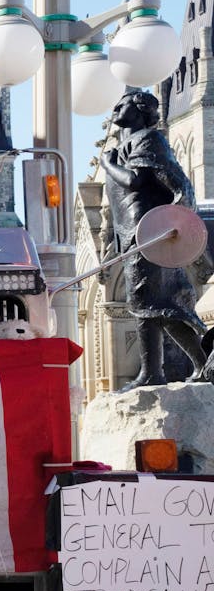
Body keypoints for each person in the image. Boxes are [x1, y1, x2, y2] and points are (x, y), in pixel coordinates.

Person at [100, 90, 213, 388]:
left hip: (149, 233)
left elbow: (135, 180)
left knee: (145, 303)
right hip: (134, 233)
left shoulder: (147, 139)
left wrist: (107, 164)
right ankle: (204, 363)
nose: (116, 107)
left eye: (122, 104)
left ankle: (152, 372)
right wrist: (111, 243)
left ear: (139, 110)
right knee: (163, 306)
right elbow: (115, 204)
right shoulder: (125, 144)